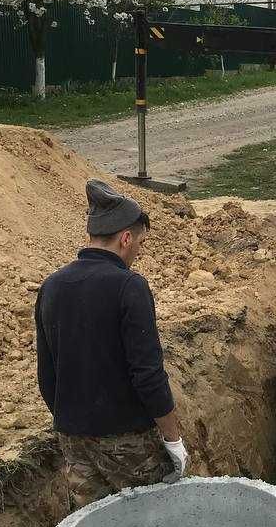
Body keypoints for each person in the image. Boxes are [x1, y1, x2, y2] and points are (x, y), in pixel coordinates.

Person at [35, 179, 189, 508]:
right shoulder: (128, 286)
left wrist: (76, 424)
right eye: (139, 244)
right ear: (126, 238)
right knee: (152, 525)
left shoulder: (51, 287)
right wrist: (173, 439)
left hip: (74, 442)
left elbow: (47, 376)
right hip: (127, 442)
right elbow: (148, 374)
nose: (138, 252)